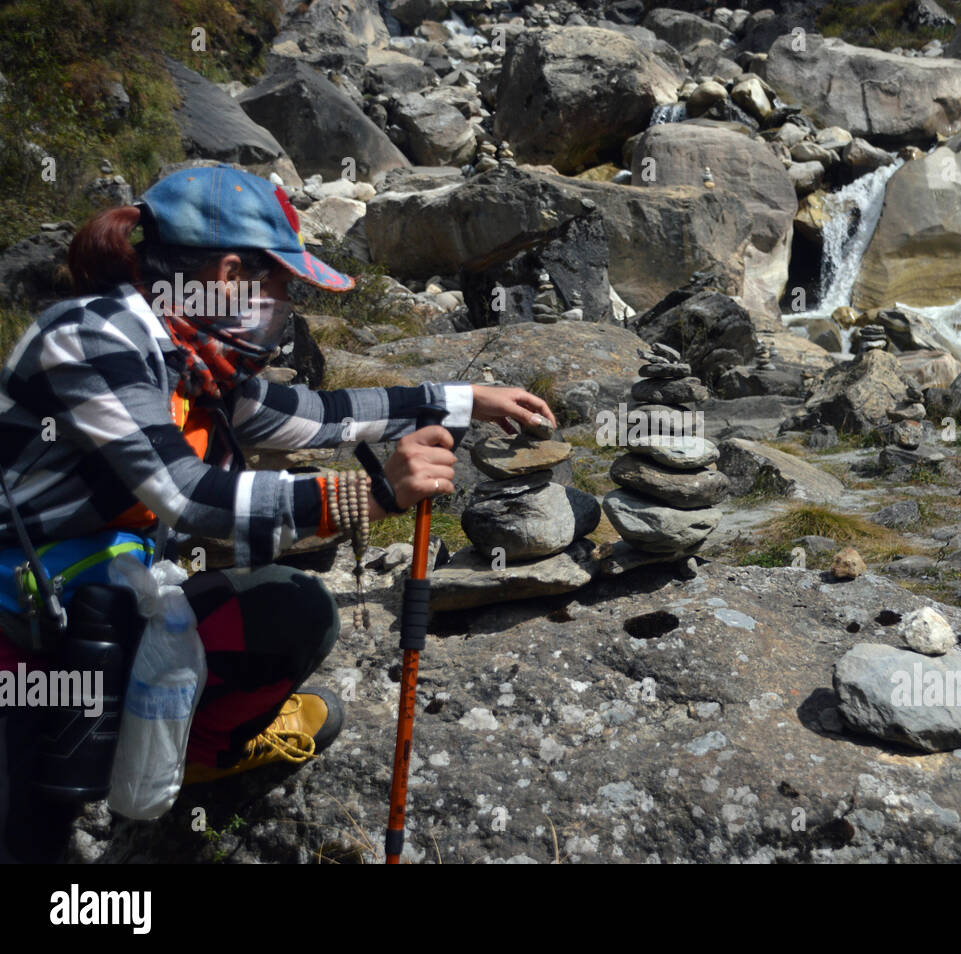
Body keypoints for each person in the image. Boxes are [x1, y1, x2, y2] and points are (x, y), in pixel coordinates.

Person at [0, 164, 556, 863]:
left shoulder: (187, 353)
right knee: (33, 836)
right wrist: (374, 496)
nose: (288, 304)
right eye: (283, 285)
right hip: (19, 629)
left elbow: (311, 415)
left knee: (291, 612)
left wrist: (465, 398)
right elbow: (186, 492)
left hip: (97, 605)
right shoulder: (96, 337)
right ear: (230, 272)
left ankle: (183, 757)